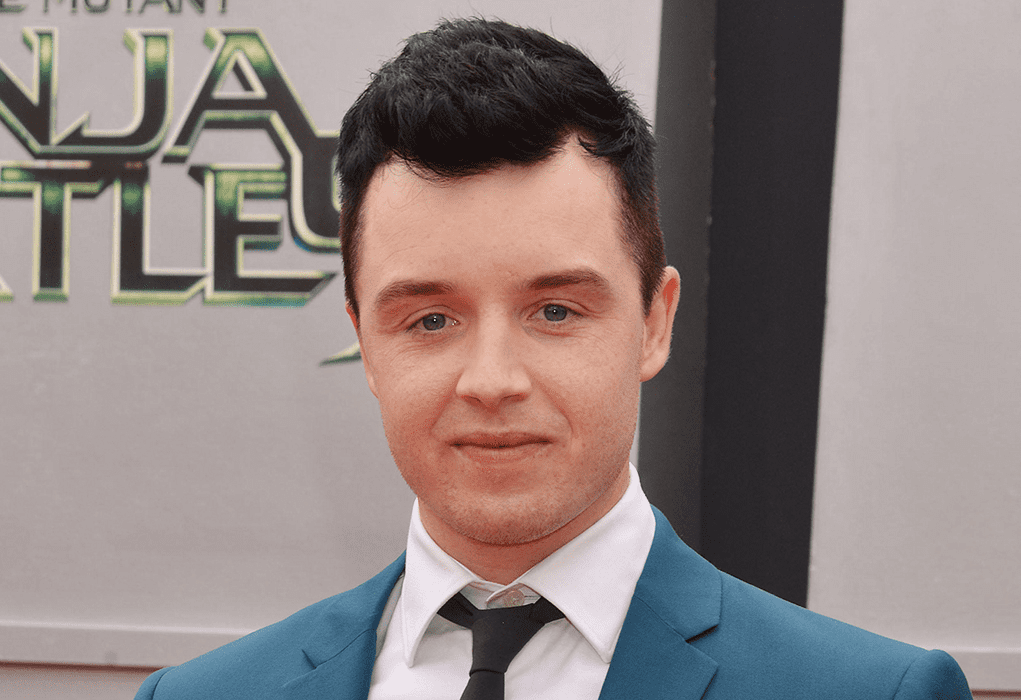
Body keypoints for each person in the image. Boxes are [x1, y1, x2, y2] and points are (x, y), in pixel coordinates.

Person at [135, 17, 973, 700]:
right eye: (431, 320)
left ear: (654, 322)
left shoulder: (869, 692)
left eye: (555, 311)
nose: (492, 381)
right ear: (365, 343)